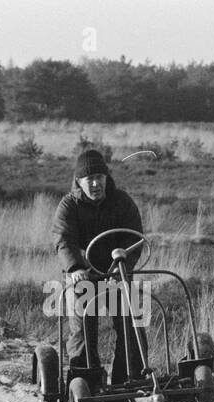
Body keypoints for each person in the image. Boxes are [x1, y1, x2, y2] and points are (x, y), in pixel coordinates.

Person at [53, 149, 147, 384]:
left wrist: (123, 264)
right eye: (89, 179)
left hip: (117, 274)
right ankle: (86, 384)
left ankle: (127, 382)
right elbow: (63, 240)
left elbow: (135, 238)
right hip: (84, 278)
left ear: (107, 177)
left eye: (100, 177)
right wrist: (74, 268)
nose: (95, 184)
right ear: (78, 181)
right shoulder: (68, 206)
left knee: (132, 328)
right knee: (83, 332)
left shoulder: (122, 202)